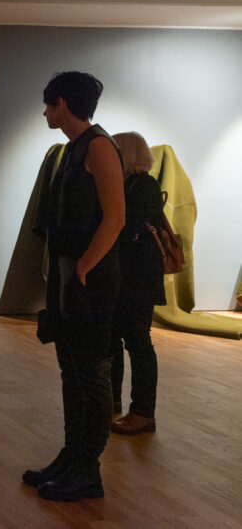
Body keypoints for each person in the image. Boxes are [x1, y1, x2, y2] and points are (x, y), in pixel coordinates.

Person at [22, 72, 125, 502]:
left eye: (49, 105)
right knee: (72, 370)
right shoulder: (72, 148)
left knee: (90, 372)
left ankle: (88, 469)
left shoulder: (99, 146)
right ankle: (72, 456)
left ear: (63, 104)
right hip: (70, 276)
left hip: (89, 280)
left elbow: (115, 217)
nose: (45, 112)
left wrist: (83, 267)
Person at [108, 132, 166, 434]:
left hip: (138, 279)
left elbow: (126, 226)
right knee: (114, 337)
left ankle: (143, 412)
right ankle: (111, 399)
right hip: (128, 276)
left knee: (137, 341)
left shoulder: (144, 186)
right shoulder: (132, 184)